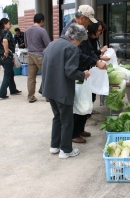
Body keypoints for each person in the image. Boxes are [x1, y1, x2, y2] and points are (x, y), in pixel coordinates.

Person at [42, 23, 90, 159]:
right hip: (62, 90)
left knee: (57, 117)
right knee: (67, 120)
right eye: (80, 42)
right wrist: (83, 75)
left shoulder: (52, 44)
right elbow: (71, 72)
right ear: (75, 38)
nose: (80, 44)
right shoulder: (71, 48)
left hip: (49, 87)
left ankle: (54, 146)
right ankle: (66, 150)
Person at [62, 5, 107, 143]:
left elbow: (88, 49)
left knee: (85, 100)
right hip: (76, 71)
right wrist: (95, 61)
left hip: (84, 70)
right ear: (83, 18)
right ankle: (74, 133)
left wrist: (96, 60)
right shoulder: (71, 30)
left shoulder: (82, 29)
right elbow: (78, 53)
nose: (90, 24)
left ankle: (79, 128)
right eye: (89, 21)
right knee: (78, 103)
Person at [24, 13, 51, 103]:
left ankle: (31, 97)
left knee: (31, 77)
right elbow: (48, 45)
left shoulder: (27, 30)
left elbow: (26, 43)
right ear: (42, 21)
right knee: (47, 76)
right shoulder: (42, 31)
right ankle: (48, 96)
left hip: (30, 55)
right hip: (40, 55)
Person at [87, 19, 110, 114]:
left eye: (101, 30)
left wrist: (101, 56)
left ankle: (90, 109)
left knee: (92, 90)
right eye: (98, 30)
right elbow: (88, 54)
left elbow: (94, 53)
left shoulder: (95, 39)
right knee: (88, 90)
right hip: (88, 67)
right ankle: (87, 110)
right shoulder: (86, 39)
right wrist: (101, 53)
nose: (100, 32)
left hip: (93, 66)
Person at [0, 18, 21, 100]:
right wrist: (6, 52)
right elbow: (5, 41)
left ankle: (13, 90)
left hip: (0, 56)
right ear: (5, 24)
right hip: (6, 56)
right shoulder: (6, 32)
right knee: (7, 74)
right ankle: (2, 94)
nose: (10, 25)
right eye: (9, 24)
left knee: (10, 73)